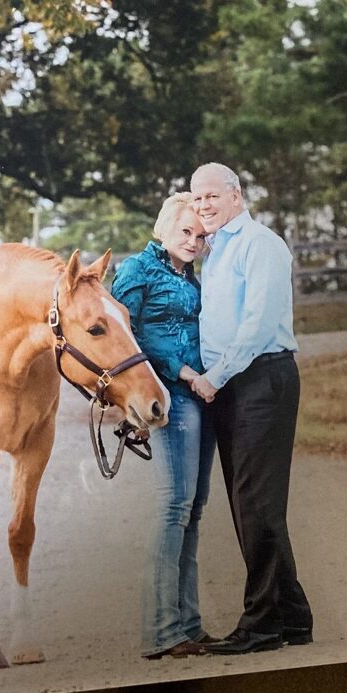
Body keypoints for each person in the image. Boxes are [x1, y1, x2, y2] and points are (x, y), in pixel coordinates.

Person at [188, 162, 312, 655]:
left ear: (236, 195)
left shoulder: (260, 244)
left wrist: (215, 378)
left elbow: (258, 323)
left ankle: (260, 625)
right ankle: (294, 618)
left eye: (212, 196)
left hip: (262, 378)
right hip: (234, 385)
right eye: (197, 199)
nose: (203, 206)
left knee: (257, 505)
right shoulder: (216, 250)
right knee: (250, 506)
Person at [110, 193, 219, 660]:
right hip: (169, 397)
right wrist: (183, 371)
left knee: (192, 511)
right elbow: (126, 337)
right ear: (165, 229)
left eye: (200, 235)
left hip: (201, 397)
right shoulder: (137, 270)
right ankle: (161, 631)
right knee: (174, 506)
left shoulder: (187, 274)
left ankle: (188, 625)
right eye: (186, 232)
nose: (194, 241)